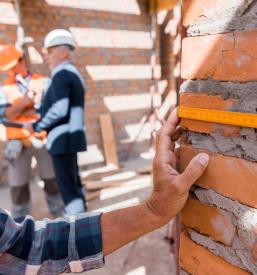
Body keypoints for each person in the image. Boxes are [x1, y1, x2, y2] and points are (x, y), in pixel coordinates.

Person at [0, 109, 209, 274]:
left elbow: (28, 247)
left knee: (68, 188)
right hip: (53, 141)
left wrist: (153, 211)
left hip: (57, 142)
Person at [24, 29, 87, 215]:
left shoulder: (62, 74)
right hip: (69, 137)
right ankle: (83, 219)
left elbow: (60, 109)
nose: (46, 57)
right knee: (74, 183)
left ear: (64, 52)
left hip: (62, 139)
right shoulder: (72, 74)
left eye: (50, 52)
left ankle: (75, 227)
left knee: (68, 188)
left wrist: (36, 126)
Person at [0, 44, 64, 218]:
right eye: (6, 69)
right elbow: (5, 115)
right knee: (18, 185)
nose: (9, 72)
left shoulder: (43, 82)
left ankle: (59, 214)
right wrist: (26, 102)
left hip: (41, 139)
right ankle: (20, 220)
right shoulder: (4, 88)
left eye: (11, 67)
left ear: (22, 61)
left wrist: (19, 111)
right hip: (17, 143)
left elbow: (52, 110)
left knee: (51, 180)